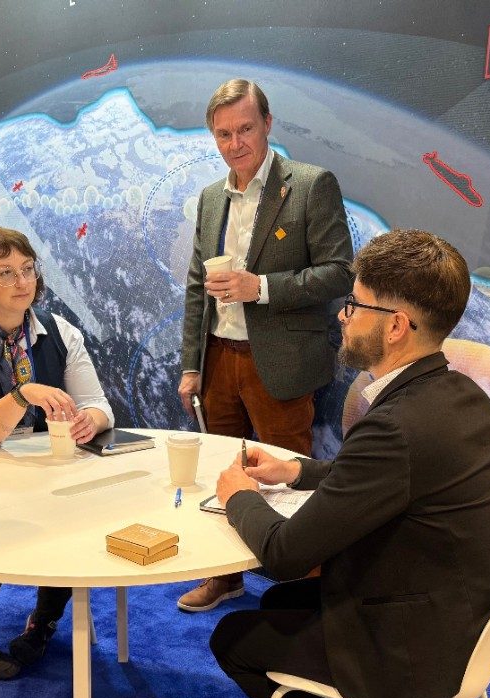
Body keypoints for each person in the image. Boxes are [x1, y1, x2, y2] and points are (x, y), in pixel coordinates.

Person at [208, 230, 490, 698]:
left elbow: (283, 553)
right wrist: (297, 471)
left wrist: (238, 495)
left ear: (396, 325)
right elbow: (384, 476)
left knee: (234, 639)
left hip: (415, 651)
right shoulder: (456, 395)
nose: (342, 317)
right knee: (283, 605)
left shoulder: (395, 425)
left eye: (353, 304)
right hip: (460, 620)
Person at [176, 78, 353, 614]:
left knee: (289, 477)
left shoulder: (311, 185)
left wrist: (263, 288)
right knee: (224, 472)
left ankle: (302, 593)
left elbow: (340, 272)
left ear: (268, 124)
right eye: (223, 134)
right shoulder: (211, 198)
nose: (235, 144)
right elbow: (196, 286)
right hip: (217, 358)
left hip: (279, 362)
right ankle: (225, 576)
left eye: (245, 129)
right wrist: (191, 366)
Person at [0, 226, 114, 680]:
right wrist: (22, 393)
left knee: (72, 511)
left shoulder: (60, 330)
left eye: (27, 269)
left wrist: (91, 421)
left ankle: (44, 621)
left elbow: (99, 404)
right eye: (5, 272)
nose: (22, 281)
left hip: (34, 463)